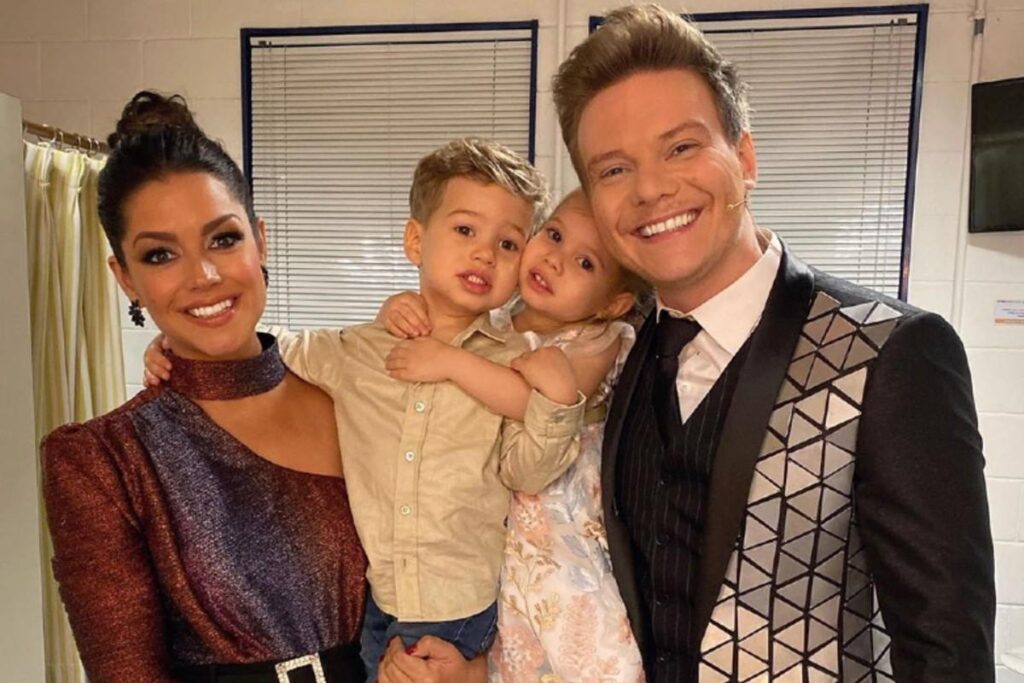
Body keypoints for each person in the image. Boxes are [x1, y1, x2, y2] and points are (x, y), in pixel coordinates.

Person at [550, 4, 996, 681]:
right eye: (613, 170)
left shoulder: (890, 352)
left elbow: (948, 655)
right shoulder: (615, 347)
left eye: (681, 147)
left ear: (745, 157)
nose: (650, 188)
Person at [145, 138, 588, 683]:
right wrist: (177, 346)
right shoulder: (356, 350)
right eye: (465, 230)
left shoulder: (514, 365)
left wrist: (558, 403)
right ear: (415, 241)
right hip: (377, 605)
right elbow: (268, 345)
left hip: (465, 608)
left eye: (508, 243)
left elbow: (530, 471)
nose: (484, 254)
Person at [41, 91, 367, 682]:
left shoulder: (359, 395)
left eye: (223, 239)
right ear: (125, 278)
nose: (204, 276)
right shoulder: (105, 460)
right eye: (160, 255)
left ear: (260, 240)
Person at [377, 189, 648, 682]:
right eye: (554, 235)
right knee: (499, 636)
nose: (555, 260)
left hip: (556, 521)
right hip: (489, 517)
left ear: (613, 304)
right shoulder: (494, 319)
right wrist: (400, 310)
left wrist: (451, 362)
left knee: (571, 628)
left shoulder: (598, 340)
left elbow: (538, 405)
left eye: (585, 263)